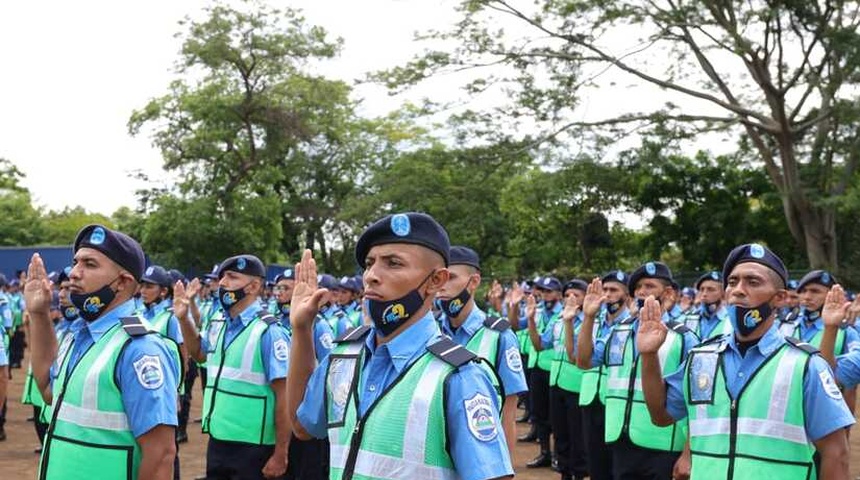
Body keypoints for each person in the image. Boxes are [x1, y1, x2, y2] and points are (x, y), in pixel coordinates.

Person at [286, 212, 513, 480]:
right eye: (370, 263)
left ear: (435, 281)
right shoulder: (345, 356)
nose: (371, 275)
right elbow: (303, 426)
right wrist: (301, 329)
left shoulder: (458, 376)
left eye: (393, 263)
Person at [640, 243, 853, 479]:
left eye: (753, 282)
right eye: (732, 282)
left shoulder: (805, 365)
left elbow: (836, 453)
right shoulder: (700, 359)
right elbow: (660, 416)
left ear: (780, 298)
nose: (738, 290)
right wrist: (649, 355)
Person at [24, 224, 180, 480]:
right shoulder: (80, 334)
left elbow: (161, 454)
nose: (74, 273)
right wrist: (39, 313)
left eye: (90, 264)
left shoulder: (139, 348)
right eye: (76, 262)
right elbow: (48, 391)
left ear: (122, 282)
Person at [577, 261, 698, 480]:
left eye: (650, 286)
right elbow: (584, 361)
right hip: (621, 439)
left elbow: (697, 403)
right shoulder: (619, 331)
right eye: (639, 287)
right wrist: (588, 316)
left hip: (663, 445)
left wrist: (688, 454)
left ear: (668, 292)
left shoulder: (683, 337)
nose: (642, 292)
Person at [174, 254, 291, 480]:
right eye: (222, 278)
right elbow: (199, 354)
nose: (223, 283)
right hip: (218, 439)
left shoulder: (269, 332)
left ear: (254, 286)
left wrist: (281, 453)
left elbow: (283, 397)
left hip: (254, 448)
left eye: (232, 277)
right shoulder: (219, 322)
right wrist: (183, 319)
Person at [435, 245, 528, 456]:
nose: (442, 286)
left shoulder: (498, 335)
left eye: (450, 278)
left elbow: (508, 415)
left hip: (481, 454)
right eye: (438, 278)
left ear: (474, 281)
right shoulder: (429, 332)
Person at [575, 271, 631, 480]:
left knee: (616, 465)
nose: (607, 295)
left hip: (616, 402)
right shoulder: (595, 320)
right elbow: (581, 359)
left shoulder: (631, 324)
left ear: (626, 295)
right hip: (592, 398)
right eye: (605, 290)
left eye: (614, 290)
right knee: (596, 461)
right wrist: (588, 317)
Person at [548, 279, 589, 480]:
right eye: (566, 295)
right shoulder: (558, 318)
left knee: (577, 435)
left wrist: (571, 322)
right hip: (557, 382)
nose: (570, 299)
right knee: (560, 432)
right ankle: (565, 473)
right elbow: (543, 341)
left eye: (576, 295)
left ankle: (579, 474)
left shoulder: (592, 321)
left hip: (578, 385)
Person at [523, 276, 563, 467]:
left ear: (559, 294)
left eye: (549, 291)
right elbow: (535, 340)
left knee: (554, 415)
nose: (545, 295)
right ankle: (544, 452)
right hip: (537, 366)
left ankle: (557, 454)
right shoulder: (538, 311)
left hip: (555, 371)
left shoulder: (564, 314)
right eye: (543, 291)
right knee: (539, 411)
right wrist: (530, 318)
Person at [683, 271, 732, 340]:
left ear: (723, 293)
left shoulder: (731, 319)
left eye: (711, 289)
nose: (704, 294)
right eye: (701, 289)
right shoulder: (689, 317)